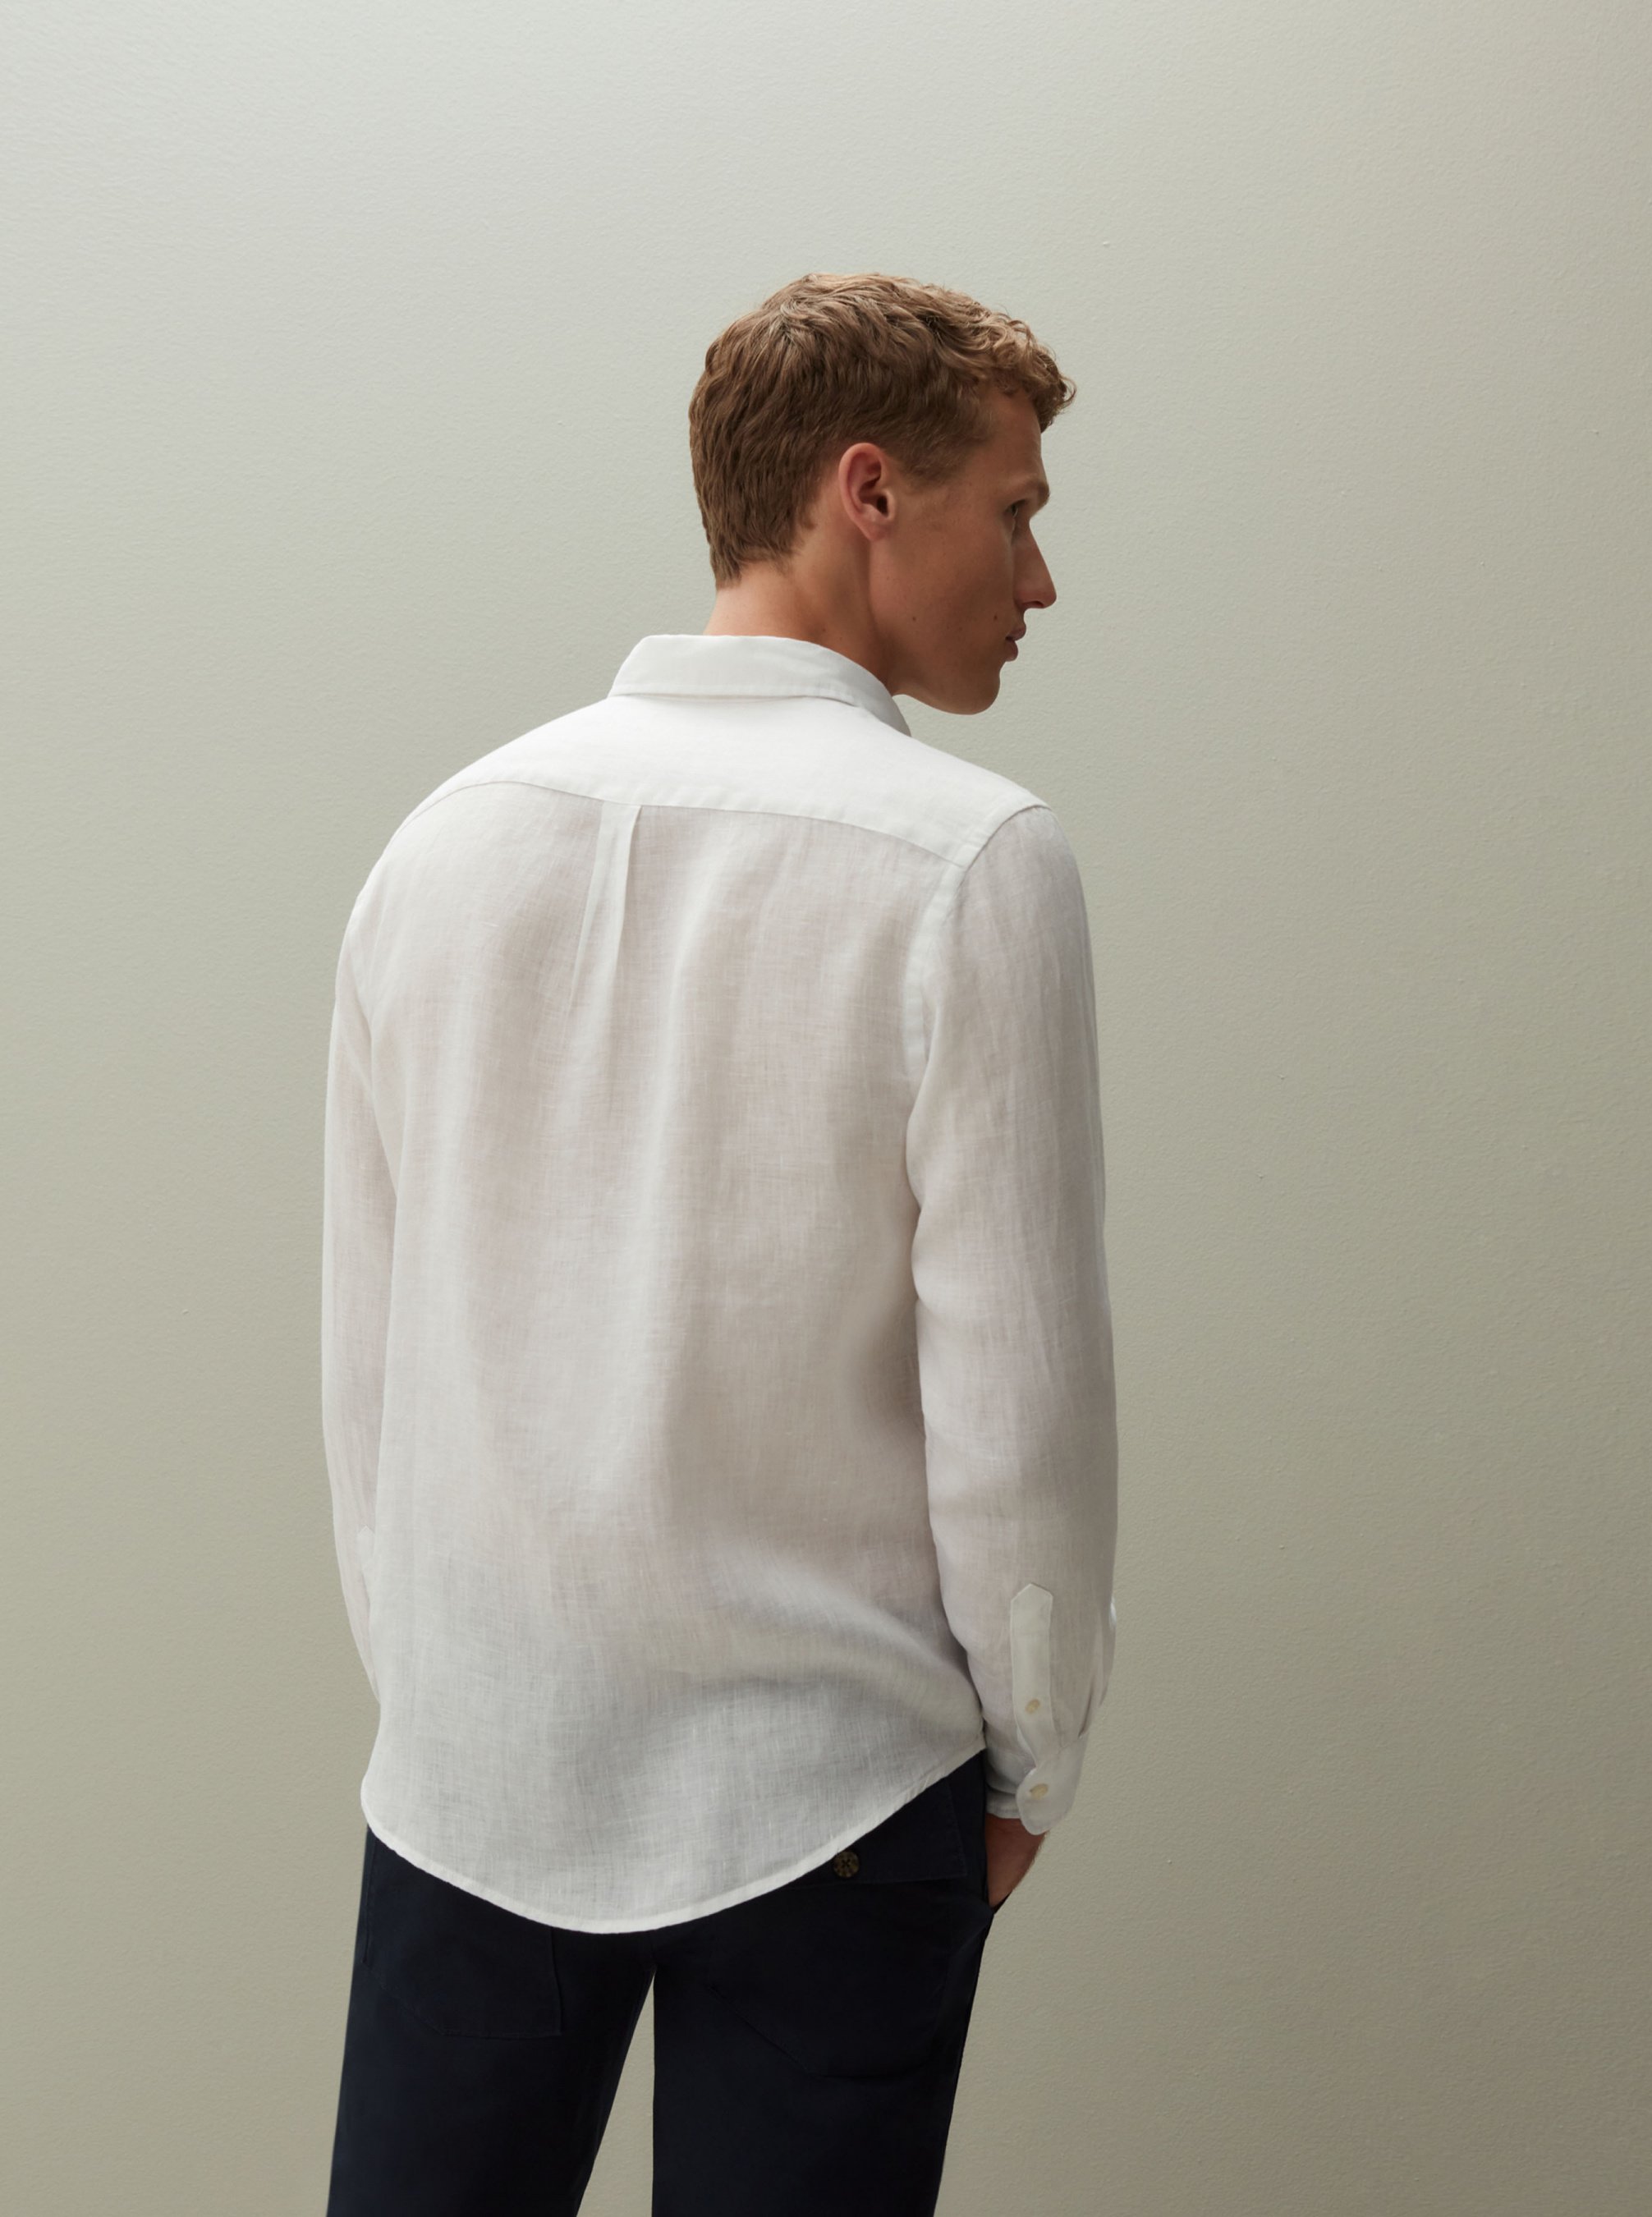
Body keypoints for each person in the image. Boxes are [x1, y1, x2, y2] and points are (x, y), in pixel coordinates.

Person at [320, 269, 1118, 2216]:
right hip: (835, 1794)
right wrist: (1027, 1767)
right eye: (1012, 511)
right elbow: (1018, 1405)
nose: (1037, 580)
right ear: (868, 489)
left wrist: (447, 1692)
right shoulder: (969, 862)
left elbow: (370, 1360)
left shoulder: (446, 840)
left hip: (478, 1769)